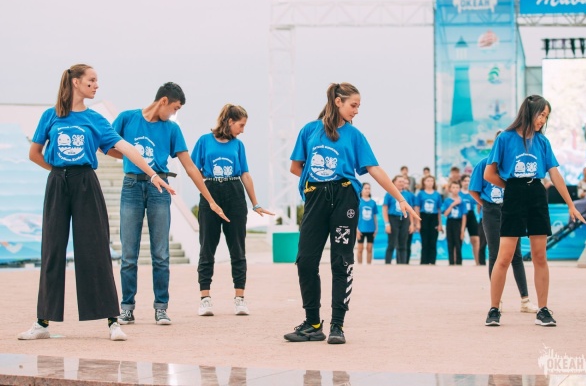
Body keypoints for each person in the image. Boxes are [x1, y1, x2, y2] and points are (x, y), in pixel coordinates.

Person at [18, 64, 175, 342]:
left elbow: (126, 148)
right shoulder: (50, 116)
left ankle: (113, 321)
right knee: (52, 250)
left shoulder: (95, 119)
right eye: (91, 80)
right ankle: (42, 322)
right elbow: (34, 153)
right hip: (57, 183)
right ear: (76, 82)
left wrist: (152, 175)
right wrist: (59, 172)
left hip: (86, 182)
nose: (96, 85)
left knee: (96, 250)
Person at [284, 82, 419, 344]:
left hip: (344, 197)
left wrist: (400, 198)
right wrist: (318, 182)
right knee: (306, 260)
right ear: (338, 102)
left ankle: (337, 325)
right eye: (353, 105)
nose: (356, 111)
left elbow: (374, 169)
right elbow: (295, 167)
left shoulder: (355, 135)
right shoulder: (310, 130)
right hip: (315, 198)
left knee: (341, 261)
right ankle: (313, 323)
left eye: (358, 106)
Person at [110, 82, 229, 327]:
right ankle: (127, 308)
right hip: (131, 186)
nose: (175, 113)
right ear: (163, 101)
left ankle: (161, 308)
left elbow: (190, 166)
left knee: (161, 254)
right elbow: (107, 146)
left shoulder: (172, 129)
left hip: (160, 188)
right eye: (175, 108)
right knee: (129, 254)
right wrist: (133, 159)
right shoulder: (127, 119)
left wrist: (210, 199)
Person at [483, 95, 586, 327]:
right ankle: (494, 309)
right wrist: (511, 188)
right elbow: (489, 174)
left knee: (540, 256)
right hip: (514, 193)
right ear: (529, 112)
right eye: (541, 115)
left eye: (546, 117)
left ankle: (543, 310)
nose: (543, 120)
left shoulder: (542, 141)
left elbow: (555, 174)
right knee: (504, 257)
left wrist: (571, 204)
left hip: (538, 194)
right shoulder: (505, 138)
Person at [191, 104, 273, 317]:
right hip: (210, 192)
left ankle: (239, 298)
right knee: (207, 248)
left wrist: (255, 203)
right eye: (241, 125)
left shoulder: (238, 145)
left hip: (234, 193)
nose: (242, 130)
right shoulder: (204, 141)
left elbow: (245, 173)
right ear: (229, 121)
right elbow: (194, 170)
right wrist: (208, 195)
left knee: (237, 248)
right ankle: (205, 299)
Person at [469, 137, 538, 314]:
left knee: (516, 255)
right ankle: (496, 301)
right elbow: (473, 190)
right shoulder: (484, 164)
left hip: (511, 210)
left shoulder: (513, 164)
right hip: (491, 211)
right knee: (494, 253)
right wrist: (486, 205)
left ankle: (525, 300)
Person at [415, 175, 443, 265]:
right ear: (424, 182)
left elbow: (439, 210)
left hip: (434, 218)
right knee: (425, 241)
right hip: (424, 217)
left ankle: (432, 261)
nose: (430, 182)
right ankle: (424, 261)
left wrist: (440, 224)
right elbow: (417, 208)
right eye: (428, 180)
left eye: (431, 181)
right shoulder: (420, 194)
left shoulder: (437, 194)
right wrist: (418, 222)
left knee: (433, 241)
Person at [383, 175, 410, 264]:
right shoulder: (389, 193)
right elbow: (385, 209)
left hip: (404, 219)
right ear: (394, 182)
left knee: (403, 243)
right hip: (393, 219)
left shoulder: (407, 194)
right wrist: (387, 223)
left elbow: (410, 209)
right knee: (392, 243)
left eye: (403, 182)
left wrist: (412, 224)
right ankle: (388, 263)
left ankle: (402, 264)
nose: (402, 183)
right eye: (400, 181)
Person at [441, 181, 466, 265]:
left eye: (457, 187)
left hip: (458, 222)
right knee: (450, 243)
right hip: (450, 222)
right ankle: (451, 262)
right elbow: (445, 214)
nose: (455, 189)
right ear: (450, 189)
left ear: (459, 189)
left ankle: (459, 262)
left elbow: (464, 216)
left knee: (458, 243)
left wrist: (462, 230)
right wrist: (452, 205)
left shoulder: (462, 201)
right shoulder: (447, 201)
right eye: (453, 187)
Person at [459, 174, 480, 264]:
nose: (467, 183)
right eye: (465, 181)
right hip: (460, 216)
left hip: (471, 215)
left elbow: (479, 203)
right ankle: (456, 262)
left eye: (468, 181)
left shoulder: (472, 193)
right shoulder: (458, 193)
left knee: (475, 239)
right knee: (458, 239)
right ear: (461, 182)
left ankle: (478, 262)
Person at [356, 182, 378, 264]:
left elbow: (374, 216)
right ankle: (360, 265)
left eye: (369, 188)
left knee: (369, 248)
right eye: (365, 188)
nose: (367, 190)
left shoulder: (373, 202)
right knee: (360, 249)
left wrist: (376, 228)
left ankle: (369, 266)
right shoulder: (358, 201)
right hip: (360, 229)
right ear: (361, 190)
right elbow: (355, 216)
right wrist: (356, 229)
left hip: (371, 229)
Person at [401, 176, 417, 263]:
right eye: (404, 182)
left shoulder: (411, 195)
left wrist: (413, 223)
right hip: (398, 220)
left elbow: (413, 209)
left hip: (408, 220)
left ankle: (406, 262)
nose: (405, 185)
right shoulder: (397, 194)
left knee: (408, 242)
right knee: (400, 242)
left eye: (407, 183)